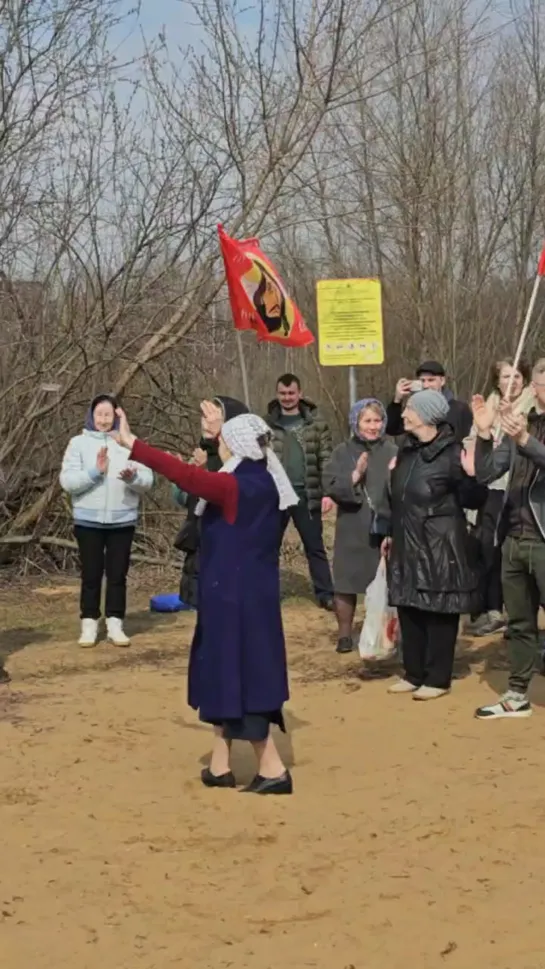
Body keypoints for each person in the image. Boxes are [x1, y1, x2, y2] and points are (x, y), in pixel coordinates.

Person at [113, 403, 298, 794]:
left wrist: (134, 443)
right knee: (223, 676)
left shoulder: (238, 485)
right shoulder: (260, 477)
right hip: (241, 597)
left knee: (239, 679)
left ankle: (272, 768)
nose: (221, 446)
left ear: (237, 444)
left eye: (225, 440)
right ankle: (220, 764)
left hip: (236, 602)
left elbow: (184, 475)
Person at [384, 390, 486, 700]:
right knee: (409, 606)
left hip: (440, 544)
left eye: (410, 410)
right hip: (405, 538)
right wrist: (390, 533)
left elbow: (474, 499)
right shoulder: (406, 449)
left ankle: (437, 678)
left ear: (427, 415)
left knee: (439, 610)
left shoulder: (453, 453)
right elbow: (398, 499)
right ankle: (413, 673)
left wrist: (472, 477)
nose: (403, 415)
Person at [472, 360, 545, 719]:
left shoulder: (524, 433)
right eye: (541, 380)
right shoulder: (521, 424)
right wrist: (485, 435)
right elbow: (486, 472)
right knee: (519, 622)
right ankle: (517, 694)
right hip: (514, 537)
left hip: (544, 541)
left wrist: (526, 441)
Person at [59, 394, 154, 647]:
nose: (103, 420)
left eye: (108, 415)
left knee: (117, 575)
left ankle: (115, 622)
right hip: (87, 521)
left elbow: (148, 480)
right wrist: (95, 473)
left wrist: (132, 477)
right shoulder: (77, 443)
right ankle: (89, 623)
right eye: (99, 414)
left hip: (122, 521)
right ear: (91, 416)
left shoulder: (129, 443)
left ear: (117, 416)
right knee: (90, 574)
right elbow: (67, 482)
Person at [465, 359, 534, 636]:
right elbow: (476, 447)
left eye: (518, 376)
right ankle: (495, 610)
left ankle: (523, 616)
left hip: (519, 491)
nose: (512, 381)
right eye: (506, 376)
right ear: (497, 381)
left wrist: (511, 423)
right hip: (491, 490)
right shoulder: (488, 406)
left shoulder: (531, 405)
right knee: (490, 548)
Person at [323, 399, 396, 654]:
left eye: (377, 420)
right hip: (352, 525)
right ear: (356, 422)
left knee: (389, 582)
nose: (373, 426)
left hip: (386, 525)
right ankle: (344, 635)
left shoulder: (392, 450)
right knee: (345, 581)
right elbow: (330, 484)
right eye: (367, 421)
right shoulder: (342, 451)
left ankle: (389, 633)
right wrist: (355, 475)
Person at [265, 373, 334, 610]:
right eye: (282, 394)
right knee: (269, 547)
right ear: (277, 394)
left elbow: (325, 459)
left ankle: (326, 593)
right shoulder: (266, 425)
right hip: (276, 496)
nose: (287, 398)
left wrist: (327, 492)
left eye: (291, 393)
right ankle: (268, 594)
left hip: (308, 493)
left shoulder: (316, 424)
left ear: (300, 394)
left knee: (314, 546)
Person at [173, 396, 248, 607]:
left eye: (214, 417)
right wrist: (183, 478)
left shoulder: (243, 455)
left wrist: (206, 471)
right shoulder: (203, 451)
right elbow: (184, 500)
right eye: (204, 416)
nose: (206, 422)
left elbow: (236, 489)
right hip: (200, 545)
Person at [386, 360, 472, 443]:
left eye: (431, 380)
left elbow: (468, 439)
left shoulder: (459, 409)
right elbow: (392, 429)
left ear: (442, 381)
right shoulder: (415, 409)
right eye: (422, 381)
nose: (426, 385)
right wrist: (397, 400)